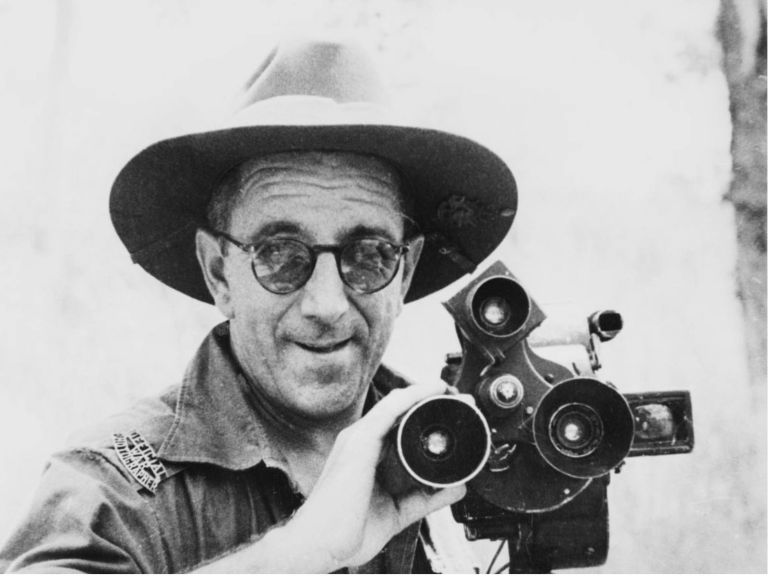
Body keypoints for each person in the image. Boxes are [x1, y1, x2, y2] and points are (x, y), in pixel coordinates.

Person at [0, 38, 517, 573]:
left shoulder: (472, 456)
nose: (327, 304)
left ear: (404, 271)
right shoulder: (117, 490)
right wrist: (299, 555)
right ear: (219, 272)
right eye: (280, 256)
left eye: (368, 256)